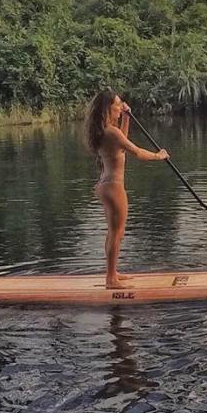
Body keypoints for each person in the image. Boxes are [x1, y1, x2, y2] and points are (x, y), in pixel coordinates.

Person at [84, 90, 169, 289]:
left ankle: (112, 273)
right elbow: (136, 152)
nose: (120, 107)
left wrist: (127, 118)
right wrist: (159, 156)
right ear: (108, 108)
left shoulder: (106, 131)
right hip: (113, 186)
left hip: (105, 185)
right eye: (117, 104)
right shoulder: (110, 132)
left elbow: (121, 142)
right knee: (117, 232)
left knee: (113, 232)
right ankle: (111, 279)